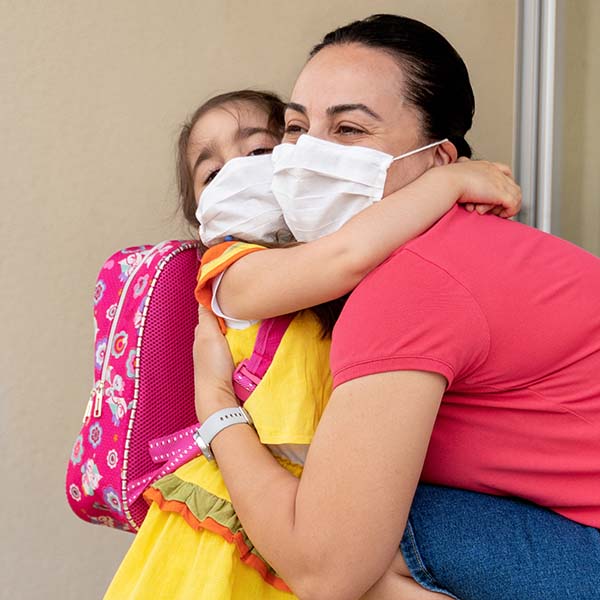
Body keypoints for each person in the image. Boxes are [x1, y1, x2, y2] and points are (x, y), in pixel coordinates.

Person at [190, 14, 600, 600]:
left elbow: (324, 571)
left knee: (339, 543)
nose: (309, 156)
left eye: (351, 130)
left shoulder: (413, 283)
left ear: (439, 161)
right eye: (297, 128)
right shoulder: (455, 245)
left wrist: (215, 406)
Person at [104, 86, 518, 599]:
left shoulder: (359, 258)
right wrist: (449, 180)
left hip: (339, 498)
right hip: (246, 498)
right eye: (211, 173)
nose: (237, 172)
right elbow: (344, 256)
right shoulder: (229, 271)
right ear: (200, 215)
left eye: (258, 151)